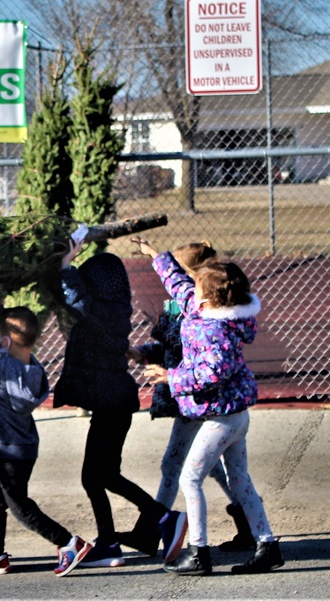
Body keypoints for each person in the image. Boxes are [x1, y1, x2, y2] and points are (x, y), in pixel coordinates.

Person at [130, 237, 284, 576]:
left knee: (190, 477)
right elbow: (181, 286)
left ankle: (198, 552)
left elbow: (211, 373)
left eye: (198, 285)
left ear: (211, 297)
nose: (191, 289)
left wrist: (172, 378)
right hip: (231, 415)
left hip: (222, 418)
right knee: (240, 479)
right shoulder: (205, 310)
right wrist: (157, 256)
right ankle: (267, 545)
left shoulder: (217, 330)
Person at [52, 239, 186, 568]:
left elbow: (77, 301)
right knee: (105, 475)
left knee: (94, 477)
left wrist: (65, 267)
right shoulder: (115, 306)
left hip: (111, 402)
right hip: (114, 401)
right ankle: (120, 537)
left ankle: (158, 522)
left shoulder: (99, 311)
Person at [0, 300, 93, 577]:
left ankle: (68, 543)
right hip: (25, 446)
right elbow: (10, 346)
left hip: (9, 448)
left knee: (18, 505)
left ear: (5, 342)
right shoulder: (34, 370)